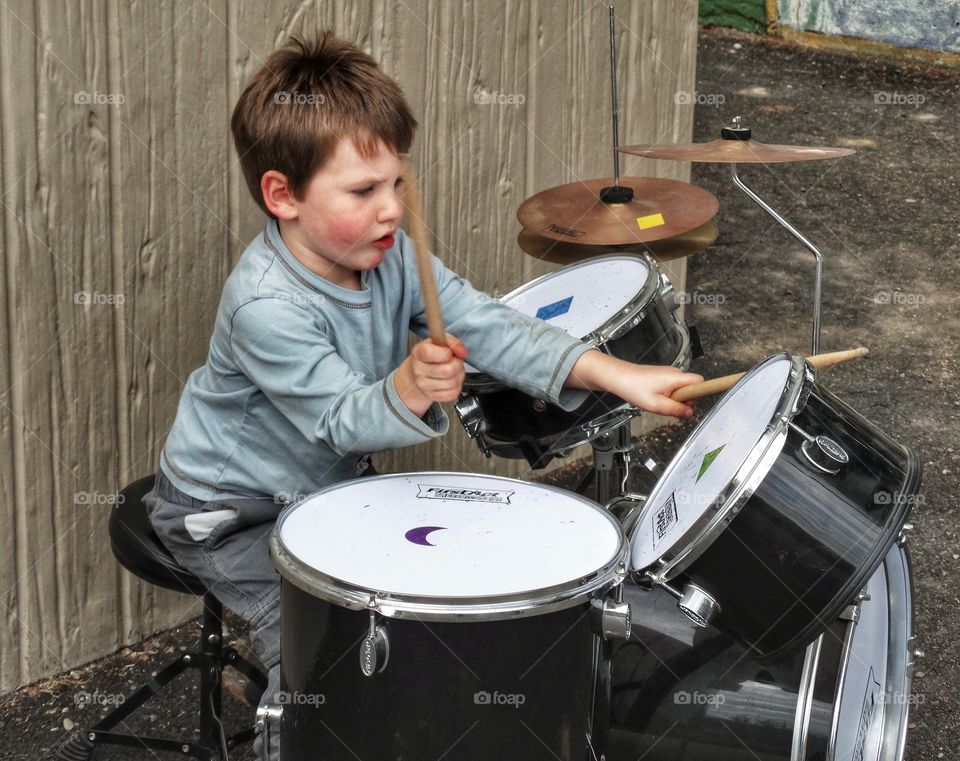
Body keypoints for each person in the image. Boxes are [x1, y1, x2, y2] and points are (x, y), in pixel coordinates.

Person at [143, 32, 702, 759]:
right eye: (363, 191)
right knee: (319, 650)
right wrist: (406, 388)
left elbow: (491, 324)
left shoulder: (394, 258)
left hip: (323, 488)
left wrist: (614, 372)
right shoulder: (266, 305)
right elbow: (342, 419)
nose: (390, 209)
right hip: (227, 511)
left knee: (434, 594)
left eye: (397, 184)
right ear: (282, 195)